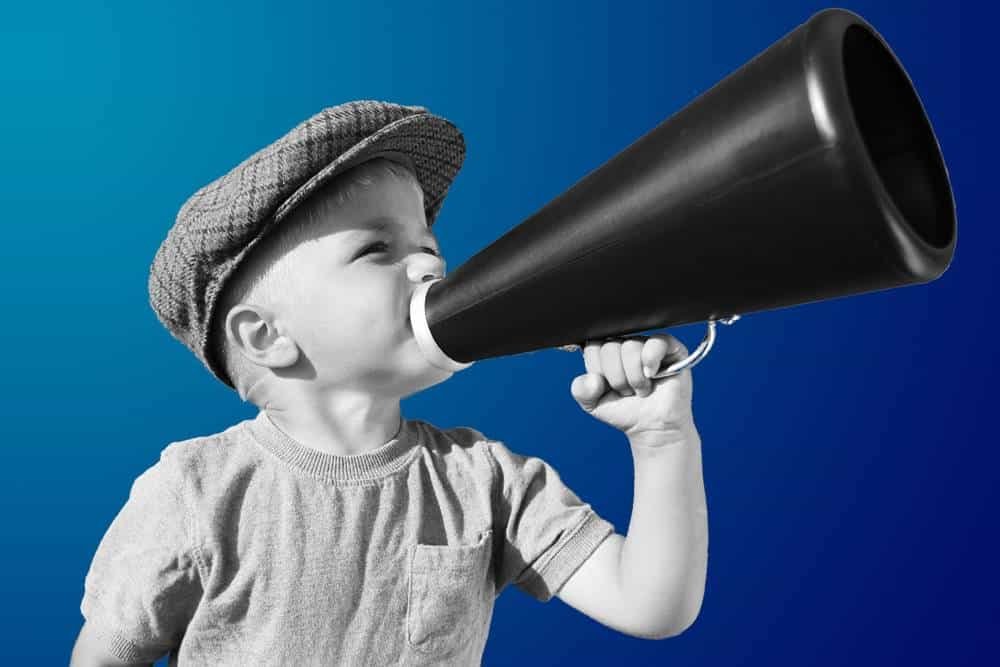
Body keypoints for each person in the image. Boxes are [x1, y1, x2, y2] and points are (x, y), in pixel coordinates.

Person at [70, 100, 708, 666]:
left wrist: (662, 439)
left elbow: (652, 605)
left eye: (428, 243)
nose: (432, 262)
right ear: (266, 336)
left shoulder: (485, 481)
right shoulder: (195, 493)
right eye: (378, 249)